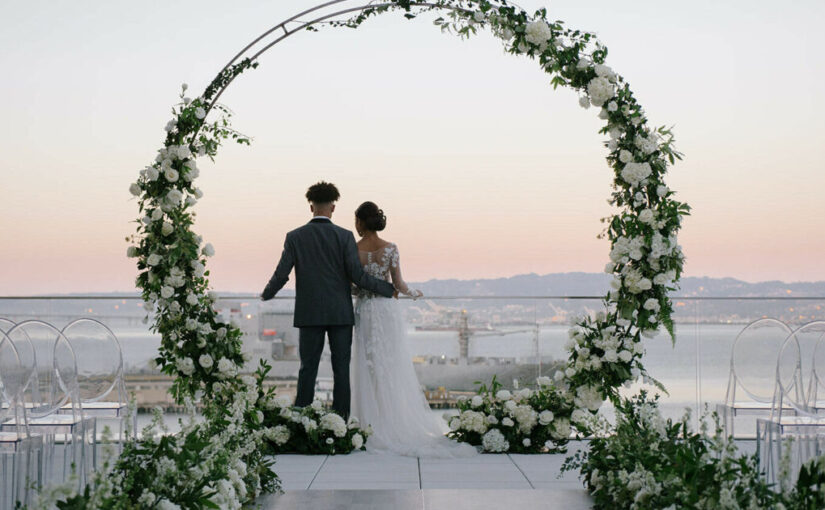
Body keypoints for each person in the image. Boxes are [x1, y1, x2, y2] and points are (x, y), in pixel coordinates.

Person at [351, 201, 476, 458]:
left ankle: (369, 424)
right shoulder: (391, 248)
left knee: (367, 365)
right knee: (391, 365)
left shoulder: (353, 249)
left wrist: (361, 291)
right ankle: (393, 420)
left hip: (365, 310)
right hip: (386, 311)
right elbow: (397, 283)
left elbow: (353, 285)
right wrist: (413, 293)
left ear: (361, 222)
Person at [260, 182, 395, 419]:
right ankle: (340, 424)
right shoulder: (344, 236)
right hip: (340, 313)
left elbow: (282, 273)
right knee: (341, 370)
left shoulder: (295, 237)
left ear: (310, 206)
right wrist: (387, 288)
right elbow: (358, 276)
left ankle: (302, 421)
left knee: (307, 369)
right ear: (333, 207)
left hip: (309, 313)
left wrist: (266, 294)